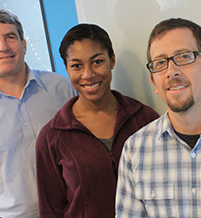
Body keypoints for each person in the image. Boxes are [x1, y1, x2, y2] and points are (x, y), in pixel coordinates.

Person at [0, 9, 76, 218]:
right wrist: (0, 197)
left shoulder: (61, 88)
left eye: (10, 37)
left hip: (67, 210)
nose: (3, 47)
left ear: (23, 44)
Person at [116, 17, 201, 218]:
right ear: (153, 82)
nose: (171, 72)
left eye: (184, 57)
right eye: (160, 63)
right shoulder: (135, 150)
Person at [36, 23, 159, 218]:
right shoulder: (52, 137)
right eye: (77, 65)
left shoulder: (145, 119)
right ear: (67, 69)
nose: (88, 74)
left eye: (97, 62)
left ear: (112, 60)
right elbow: (51, 211)